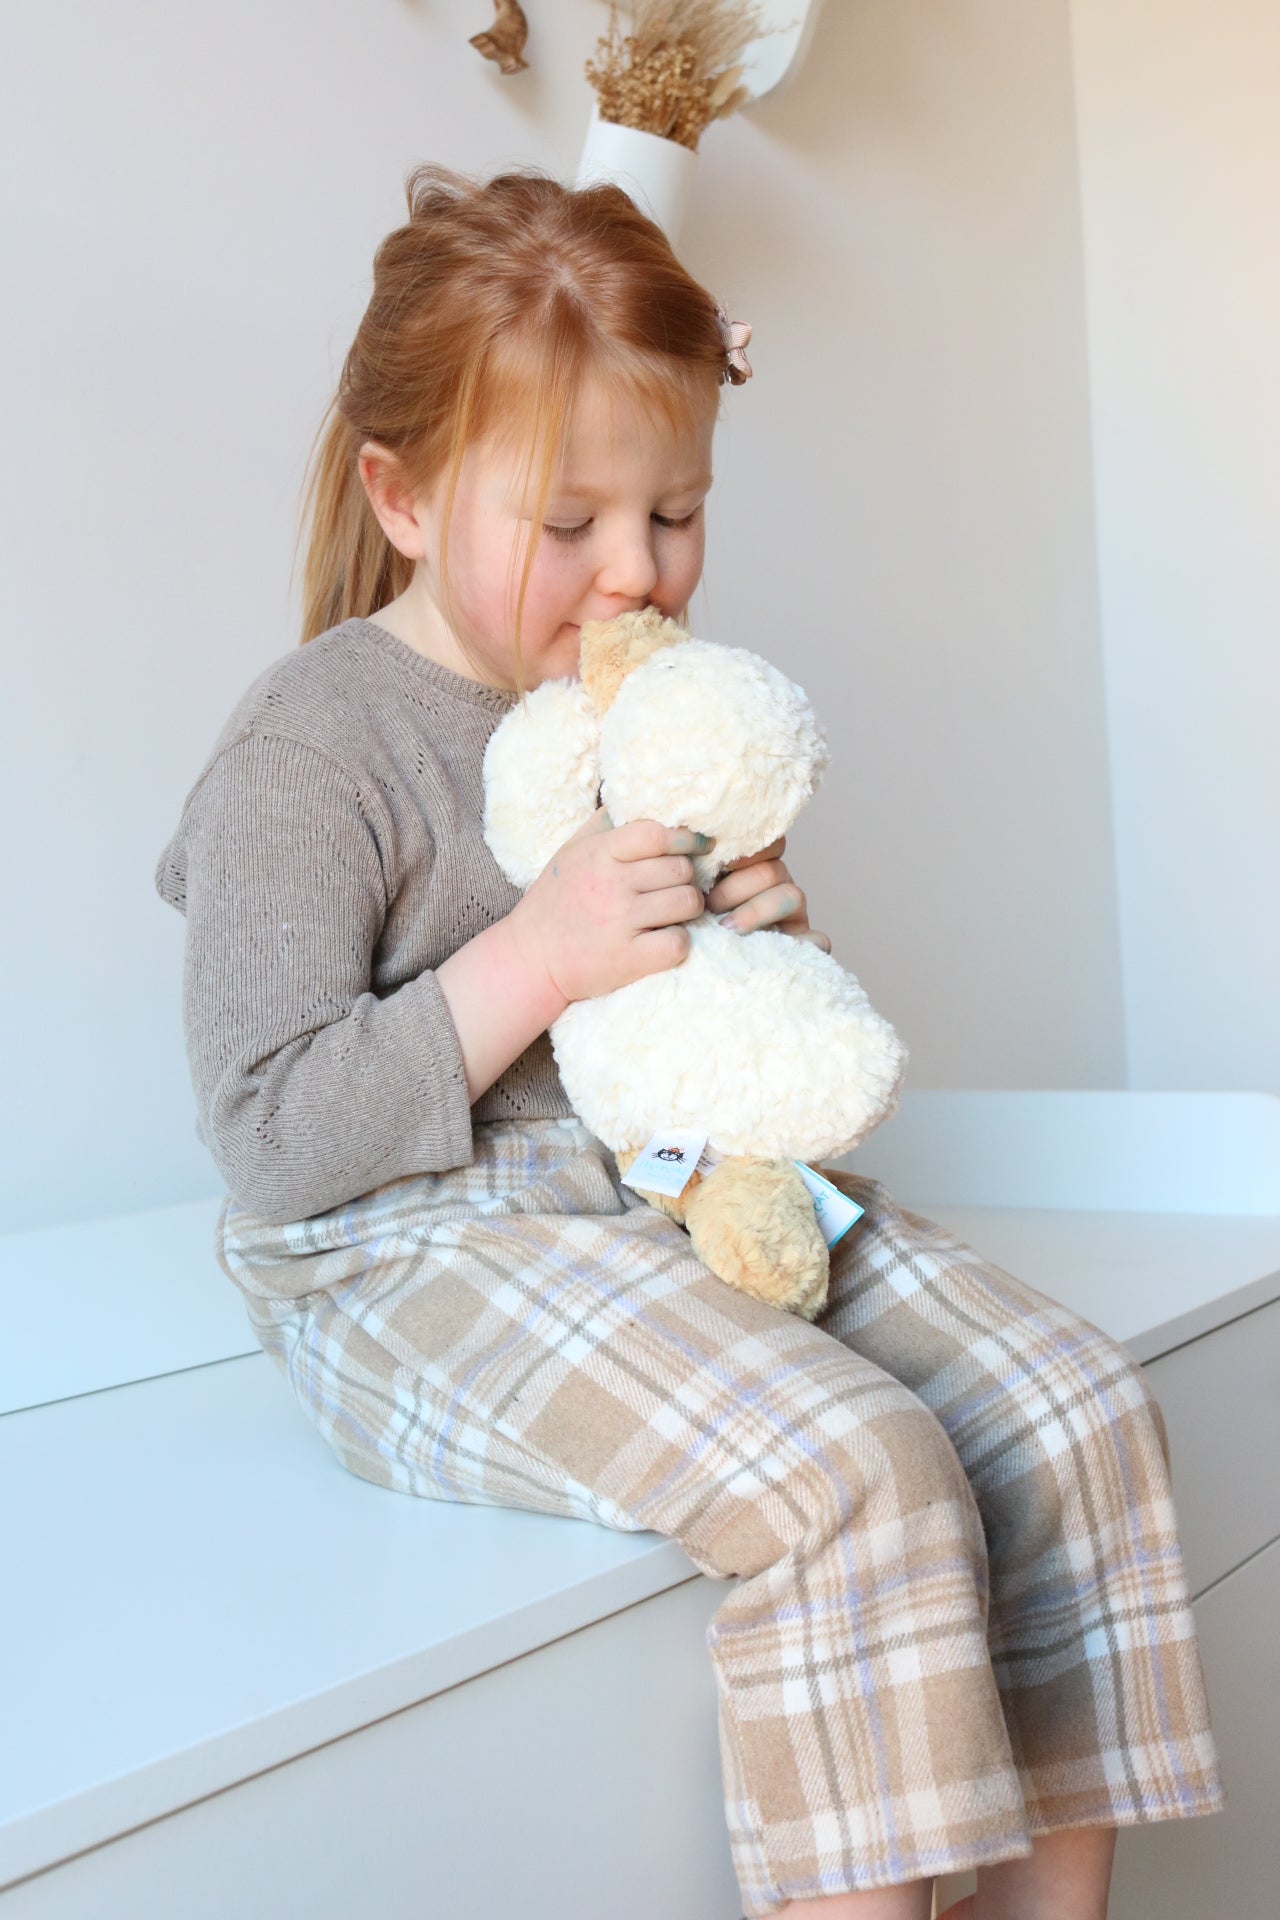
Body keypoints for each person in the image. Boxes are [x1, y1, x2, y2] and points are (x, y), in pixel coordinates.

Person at [154, 166, 1223, 1920]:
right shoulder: (310, 741)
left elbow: (680, 1032)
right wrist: (545, 956)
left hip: (658, 1188)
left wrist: (748, 952)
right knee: (850, 1473)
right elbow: (271, 1135)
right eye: (569, 525)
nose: (636, 572)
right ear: (401, 497)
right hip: (393, 1247)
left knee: (1076, 1408)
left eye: (678, 514)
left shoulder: (643, 709)